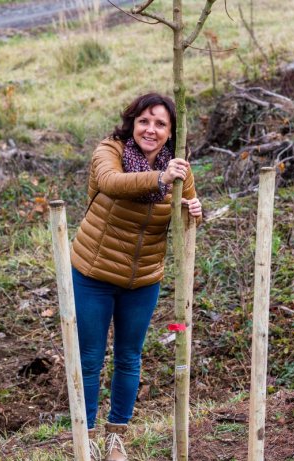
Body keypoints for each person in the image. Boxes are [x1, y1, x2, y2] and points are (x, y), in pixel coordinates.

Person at [70, 92, 202, 461]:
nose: (151, 129)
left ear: (171, 132)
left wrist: (193, 210)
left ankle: (116, 438)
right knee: (91, 357)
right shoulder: (109, 151)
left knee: (129, 357)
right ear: (132, 123)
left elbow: (187, 222)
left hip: (143, 279)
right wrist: (160, 178)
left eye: (161, 124)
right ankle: (88, 437)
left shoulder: (179, 169)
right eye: (145, 121)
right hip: (93, 272)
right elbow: (112, 183)